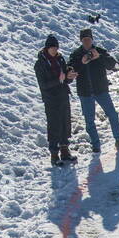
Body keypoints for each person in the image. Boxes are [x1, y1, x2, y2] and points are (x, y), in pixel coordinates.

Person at [68, 30, 119, 154]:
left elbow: (111, 64)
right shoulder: (76, 54)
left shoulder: (99, 51)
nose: (87, 42)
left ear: (92, 39)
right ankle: (96, 145)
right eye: (84, 40)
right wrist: (81, 63)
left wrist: (99, 57)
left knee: (112, 114)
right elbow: (71, 69)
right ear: (81, 41)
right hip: (85, 92)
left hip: (101, 90)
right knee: (89, 120)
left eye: (88, 39)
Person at [35, 35, 77, 167]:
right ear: (47, 48)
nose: (53, 50)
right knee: (54, 126)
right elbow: (43, 84)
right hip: (50, 98)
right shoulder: (40, 63)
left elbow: (64, 77)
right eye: (51, 48)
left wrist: (69, 76)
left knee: (65, 123)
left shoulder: (60, 58)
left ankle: (65, 151)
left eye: (55, 47)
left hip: (63, 95)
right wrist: (59, 80)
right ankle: (54, 154)